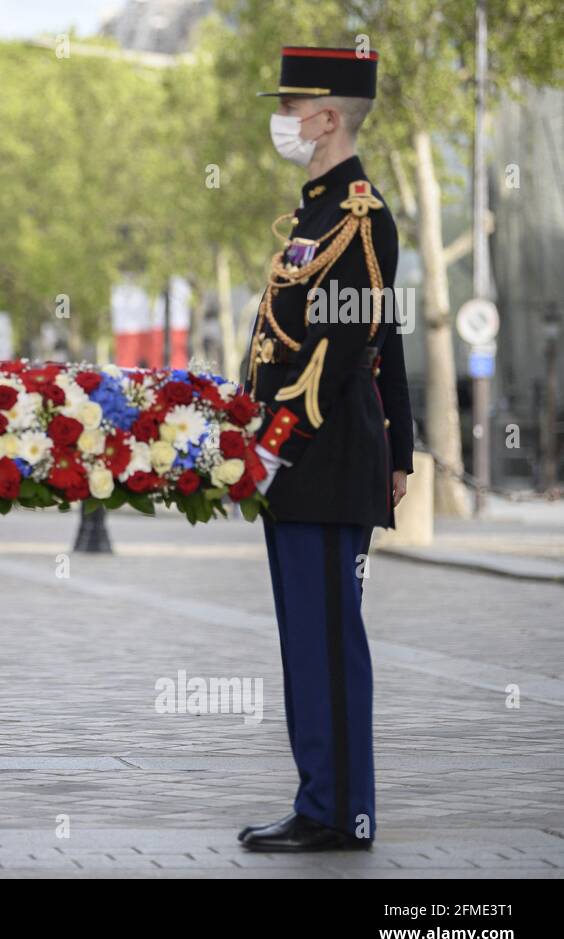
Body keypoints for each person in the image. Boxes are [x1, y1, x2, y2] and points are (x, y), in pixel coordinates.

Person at [239, 45, 413, 851]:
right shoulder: (315, 212)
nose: (284, 119)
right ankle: (320, 798)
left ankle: (342, 811)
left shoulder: (358, 214)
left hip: (322, 457)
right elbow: (384, 339)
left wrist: (274, 443)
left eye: (293, 105)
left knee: (328, 641)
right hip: (306, 463)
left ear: (328, 116)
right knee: (305, 637)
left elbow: (346, 350)